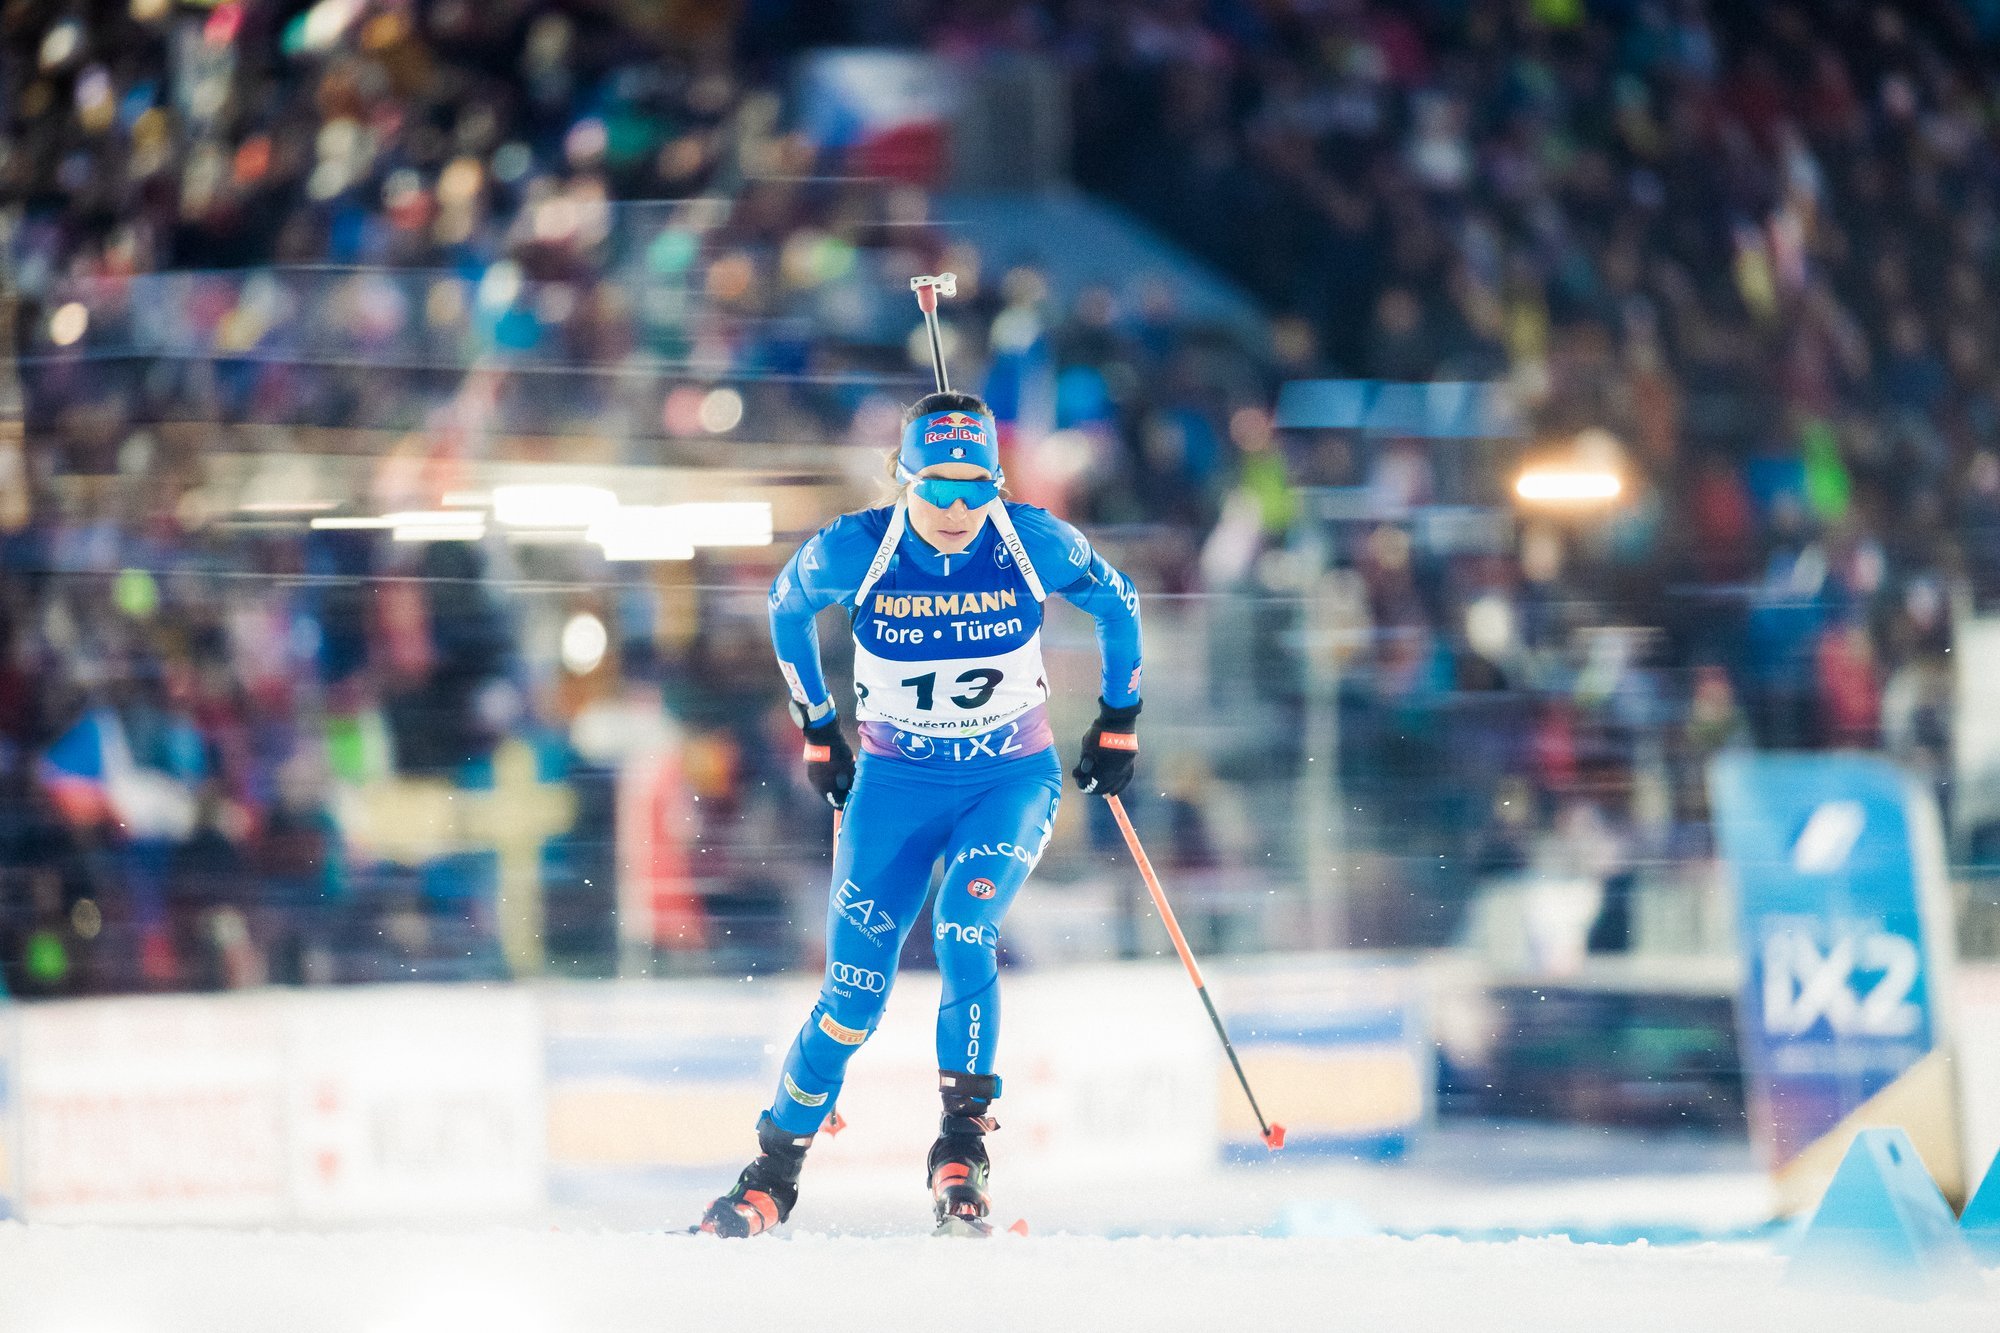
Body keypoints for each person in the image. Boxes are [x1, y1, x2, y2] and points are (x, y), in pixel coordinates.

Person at [699, 389, 1143, 1237]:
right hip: (896, 787)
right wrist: (817, 726)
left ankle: (961, 1147)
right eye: (936, 487)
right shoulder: (857, 547)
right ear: (903, 481)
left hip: (1006, 780)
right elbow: (786, 607)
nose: (957, 508)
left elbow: (1118, 601)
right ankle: (772, 1175)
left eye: (976, 488)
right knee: (851, 999)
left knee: (963, 930)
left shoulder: (1032, 540)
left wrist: (1119, 717)